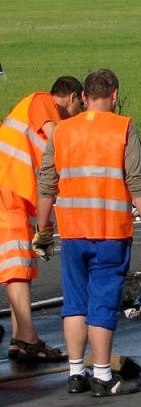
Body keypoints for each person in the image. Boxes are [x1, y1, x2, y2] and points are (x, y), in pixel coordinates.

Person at [35, 68, 141, 396]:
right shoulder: (122, 128)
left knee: (75, 302)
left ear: (84, 97)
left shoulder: (63, 131)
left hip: (73, 233)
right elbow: (138, 181)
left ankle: (76, 373)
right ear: (115, 95)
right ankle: (104, 376)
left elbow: (47, 183)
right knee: (103, 303)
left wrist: (44, 230)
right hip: (110, 232)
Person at [0, 76, 83, 363]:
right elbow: (58, 137)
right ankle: (28, 339)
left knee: (20, 265)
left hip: (16, 195)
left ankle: (19, 337)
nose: (78, 115)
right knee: (17, 266)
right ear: (71, 97)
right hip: (8, 190)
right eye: (79, 107)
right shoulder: (42, 101)